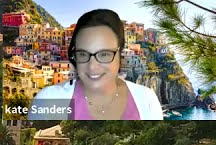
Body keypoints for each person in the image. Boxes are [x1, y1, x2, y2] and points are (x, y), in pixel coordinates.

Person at [30, 9, 164, 121]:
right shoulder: (49, 100)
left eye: (104, 54)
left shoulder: (146, 99)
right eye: (83, 54)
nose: (92, 67)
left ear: (120, 53)